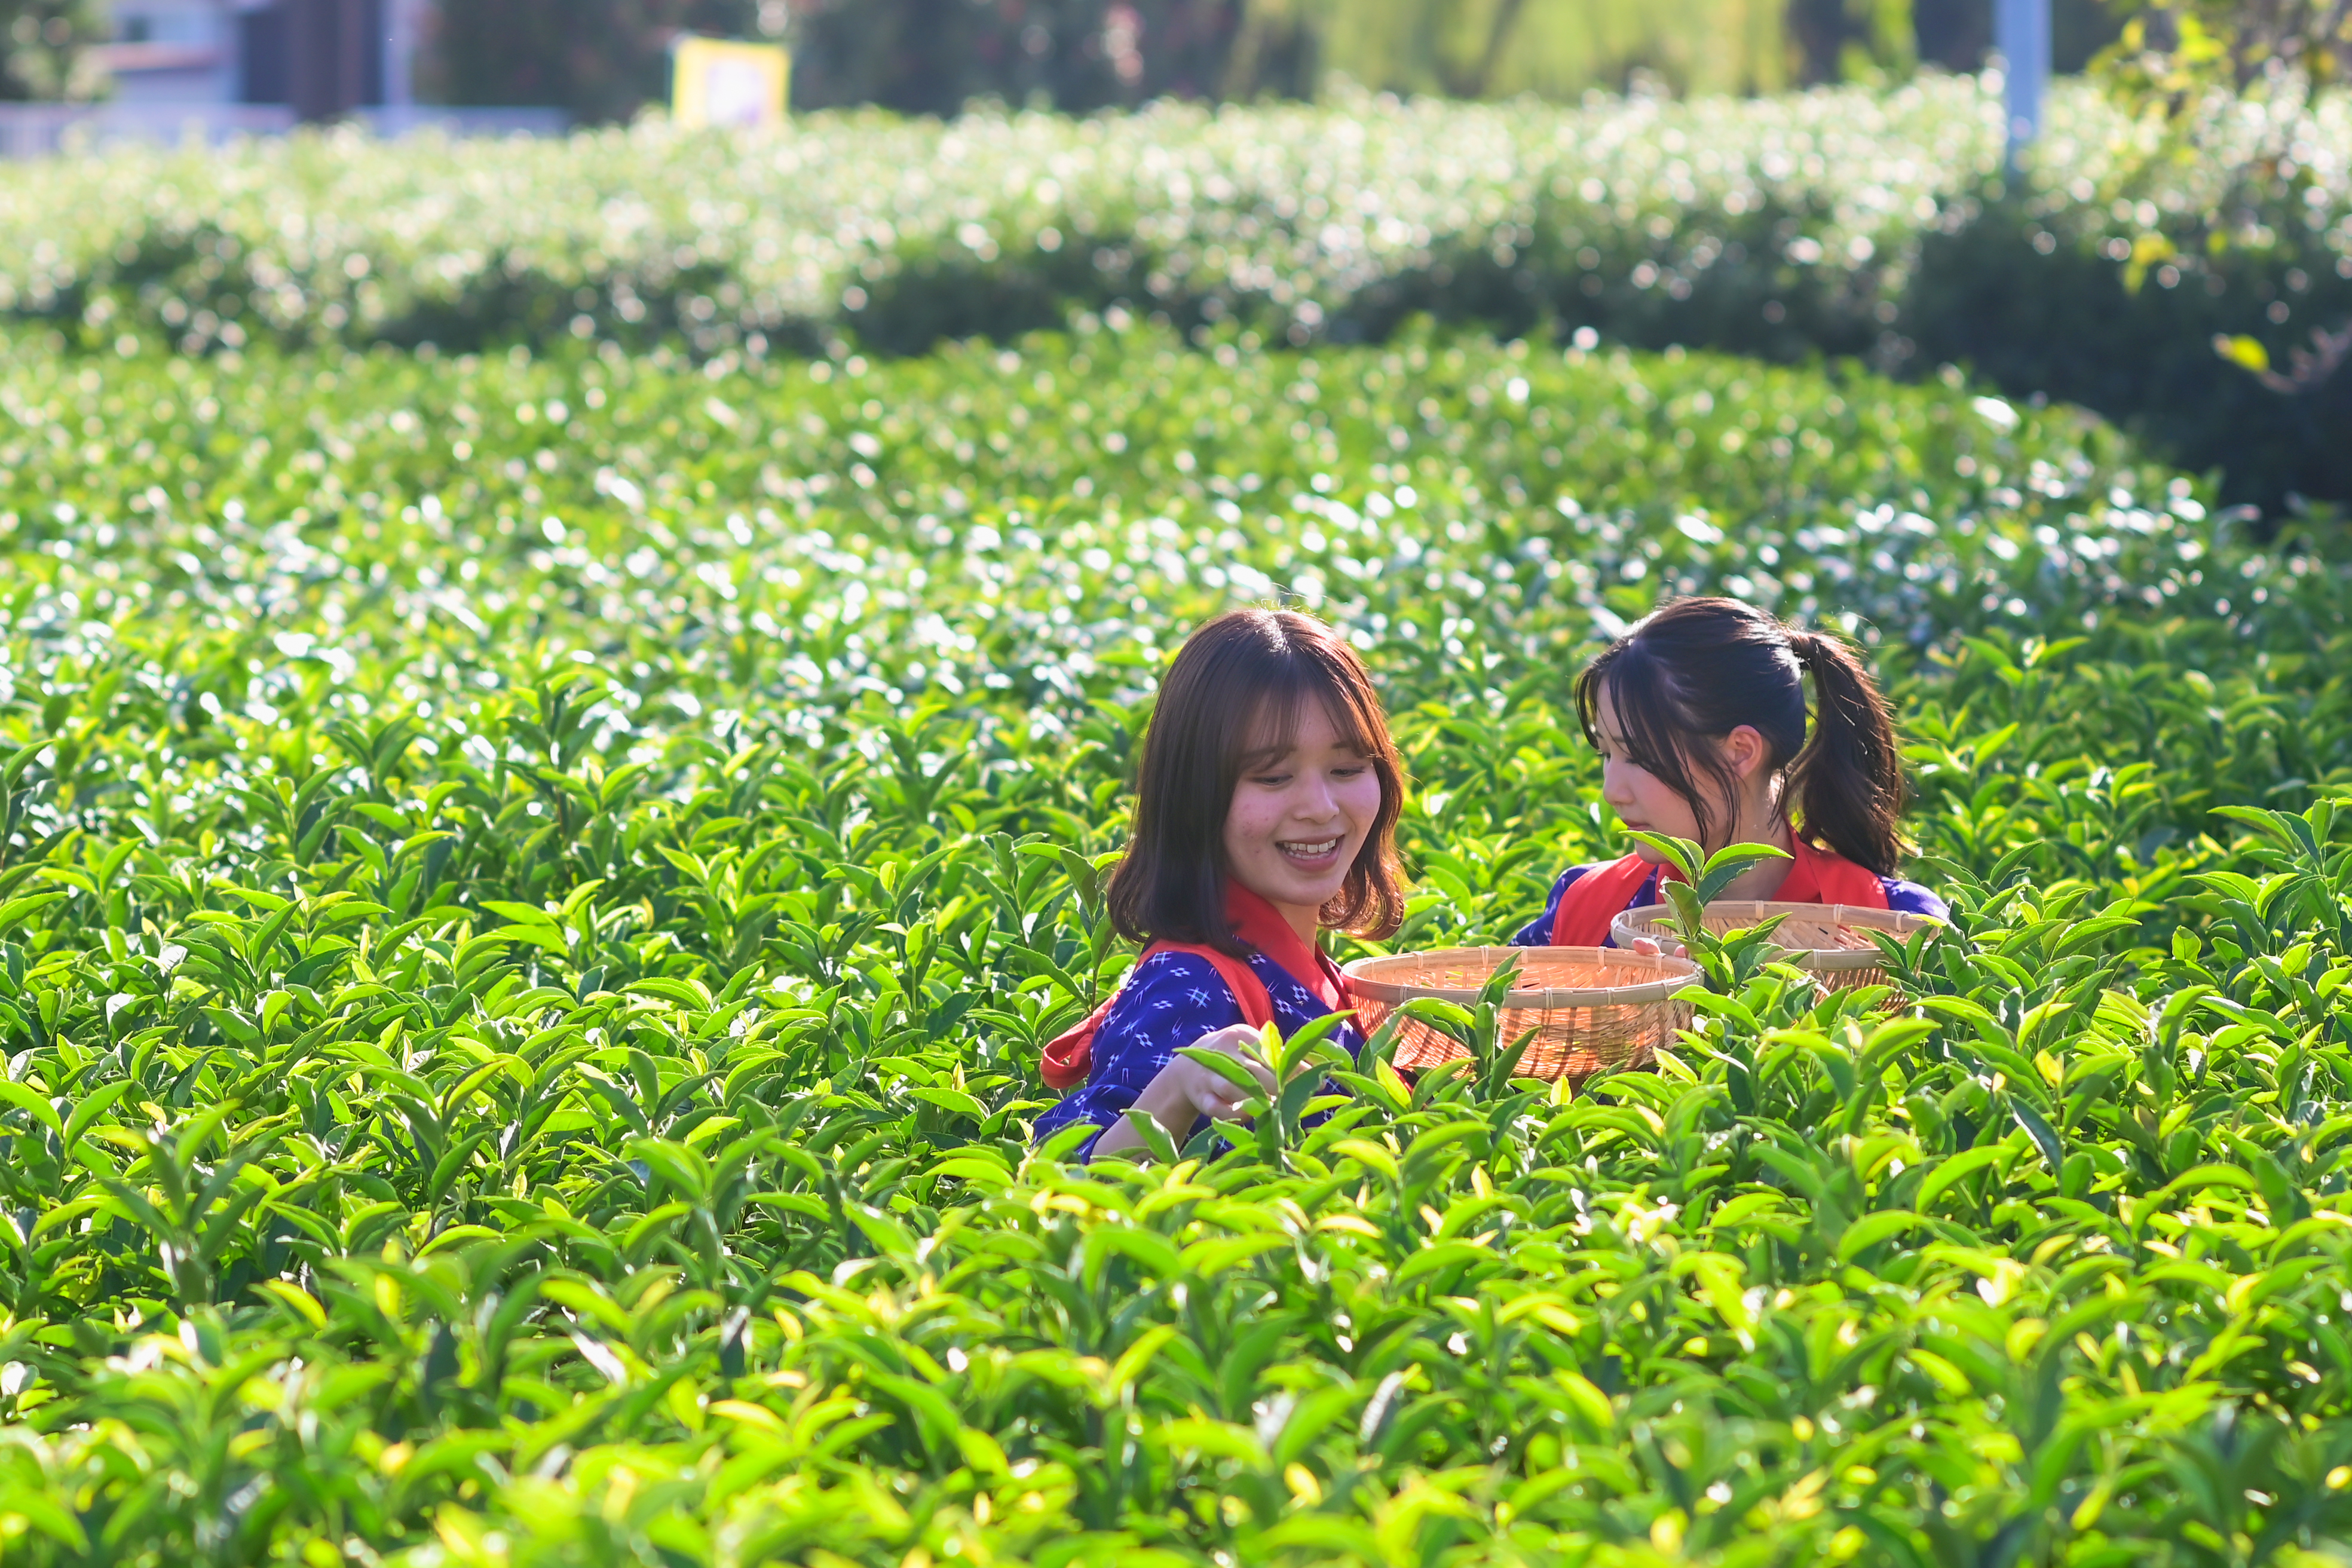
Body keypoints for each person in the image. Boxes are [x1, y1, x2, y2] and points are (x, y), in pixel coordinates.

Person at [1034, 608, 1407, 1161]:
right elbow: (1062, 1179)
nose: (1320, 808)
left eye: (1347, 770)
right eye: (1273, 777)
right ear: (1195, 795)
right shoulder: (1192, 984)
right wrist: (1182, 1083)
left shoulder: (1324, 975)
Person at [1515, 596, 1947, 948]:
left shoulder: (1896, 927)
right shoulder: (1589, 905)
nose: (1612, 791)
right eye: (1606, 755)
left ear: (1740, 752)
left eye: (1640, 758)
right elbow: (1483, 1036)